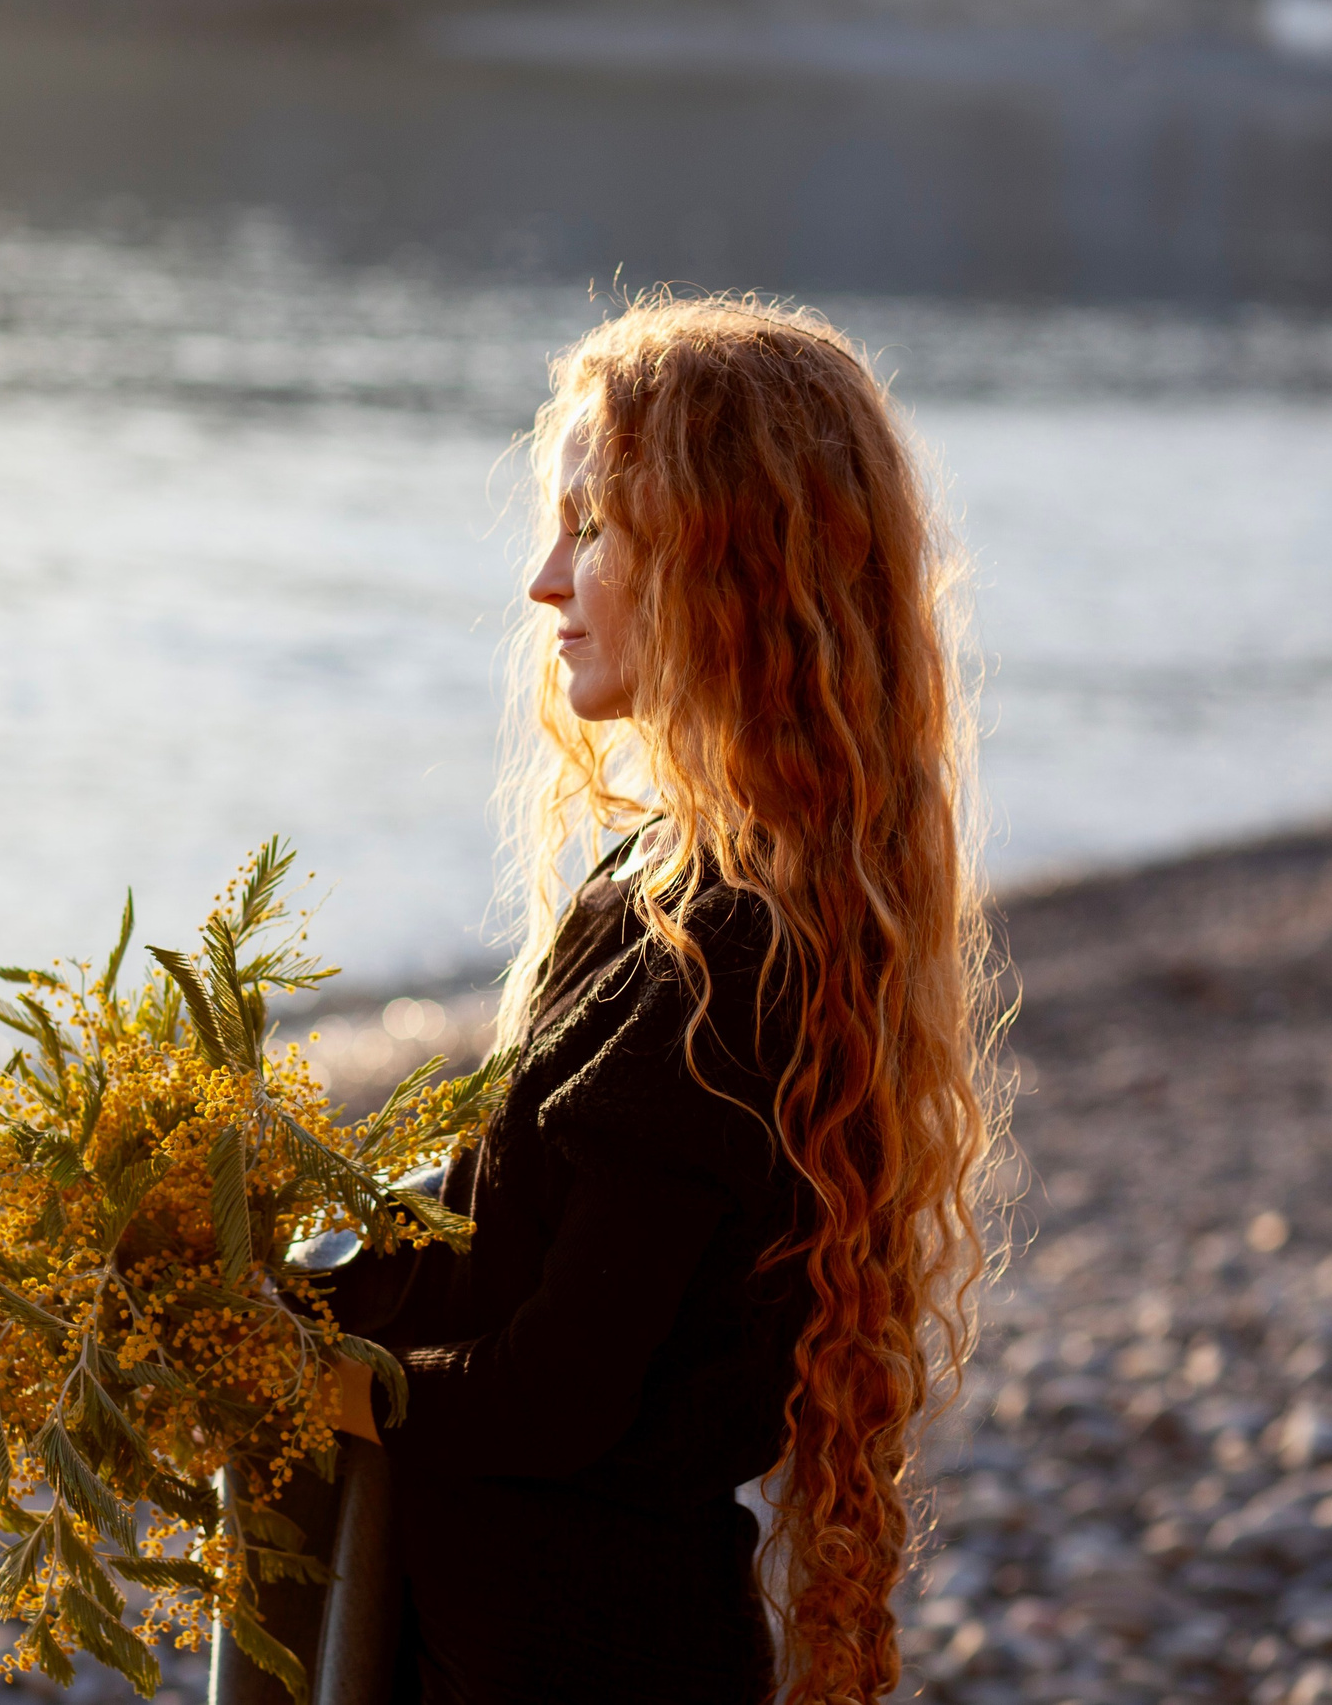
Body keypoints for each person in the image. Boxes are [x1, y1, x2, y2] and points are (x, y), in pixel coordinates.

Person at [323, 295, 1005, 1704]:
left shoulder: (733, 948)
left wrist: (307, 1388)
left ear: (726, 562)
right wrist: (235, 1272)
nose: (543, 581)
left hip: (577, 1660)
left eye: (591, 529)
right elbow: (489, 1256)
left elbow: (558, 1394)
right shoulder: (659, 877)